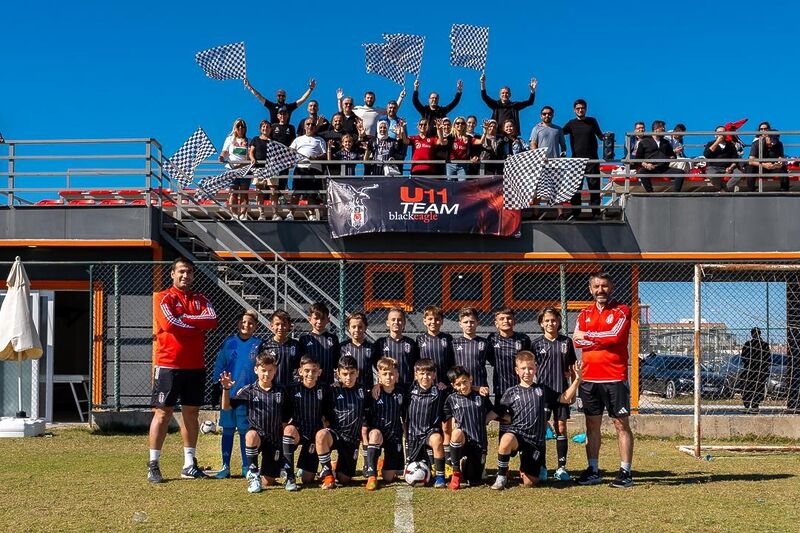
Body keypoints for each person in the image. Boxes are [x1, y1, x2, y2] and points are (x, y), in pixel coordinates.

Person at [148, 257, 218, 483]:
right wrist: (195, 325)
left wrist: (185, 320)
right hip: (168, 365)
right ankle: (153, 464)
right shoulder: (162, 297)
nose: (185, 275)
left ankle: (189, 464)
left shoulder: (201, 299)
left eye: (189, 272)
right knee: (163, 413)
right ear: (172, 274)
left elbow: (212, 319)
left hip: (195, 366)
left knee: (191, 414)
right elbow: (169, 325)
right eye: (181, 271)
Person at [572, 272, 634, 488]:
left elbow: (615, 337)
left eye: (604, 286)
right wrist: (599, 338)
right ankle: (593, 470)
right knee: (591, 425)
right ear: (590, 290)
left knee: (621, 424)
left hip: (614, 377)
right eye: (596, 287)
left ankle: (625, 472)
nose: (600, 290)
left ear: (611, 287)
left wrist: (590, 337)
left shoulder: (622, 310)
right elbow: (577, 341)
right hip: (589, 378)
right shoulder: (584, 313)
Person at [491, 351, 582, 490]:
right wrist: (487, 419)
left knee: (531, 483)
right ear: (517, 370)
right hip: (517, 435)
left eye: (530, 368)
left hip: (534, 442)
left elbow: (564, 398)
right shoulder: (511, 392)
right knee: (505, 440)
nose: (527, 372)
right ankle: (501, 476)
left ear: (536, 369)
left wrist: (577, 380)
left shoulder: (542, 390)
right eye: (523, 368)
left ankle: (526, 468)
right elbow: (498, 411)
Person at [219, 352, 291, 493]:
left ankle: (268, 473)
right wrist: (226, 389)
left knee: (268, 482)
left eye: (270, 370)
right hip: (257, 436)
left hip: (274, 440)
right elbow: (226, 406)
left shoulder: (281, 390)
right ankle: (253, 476)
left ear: (275, 370)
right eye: (263, 370)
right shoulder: (249, 390)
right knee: (250, 435)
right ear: (256, 370)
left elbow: (288, 414)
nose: (266, 374)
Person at [211, 310, 264, 479]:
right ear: (237, 323)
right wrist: (215, 385)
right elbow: (220, 363)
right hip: (228, 394)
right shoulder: (229, 342)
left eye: (250, 323)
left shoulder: (258, 344)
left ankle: (246, 466)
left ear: (255, 326)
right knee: (227, 429)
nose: (246, 325)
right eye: (243, 322)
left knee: (244, 430)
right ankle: (225, 466)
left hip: (247, 395)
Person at [530, 307, 577, 481]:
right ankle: (542, 467)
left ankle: (561, 467)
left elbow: (572, 368)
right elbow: (528, 368)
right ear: (541, 323)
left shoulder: (566, 342)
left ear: (558, 322)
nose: (551, 323)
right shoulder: (536, 344)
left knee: (561, 427)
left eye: (554, 320)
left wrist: (573, 390)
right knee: (541, 429)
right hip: (542, 394)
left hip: (562, 392)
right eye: (547, 321)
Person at [315, 355, 368, 489]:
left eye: (352, 373)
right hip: (336, 434)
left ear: (357, 373)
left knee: (344, 479)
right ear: (338, 373)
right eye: (344, 374)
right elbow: (323, 412)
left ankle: (334, 465)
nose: (348, 377)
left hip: (351, 440)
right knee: (321, 435)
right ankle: (327, 475)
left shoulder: (363, 391)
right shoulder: (332, 390)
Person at [282, 355, 333, 491]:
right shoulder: (291, 389)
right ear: (300, 371)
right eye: (307, 370)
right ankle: (289, 476)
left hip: (313, 436)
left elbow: (328, 414)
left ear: (319, 372)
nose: (310, 374)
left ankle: (329, 465)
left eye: (314, 371)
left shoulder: (325, 389)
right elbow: (284, 416)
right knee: (288, 431)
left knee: (307, 479)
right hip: (298, 432)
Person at [444, 366, 499, 490]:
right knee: (457, 432)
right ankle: (456, 473)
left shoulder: (481, 396)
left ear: (471, 379)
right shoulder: (451, 399)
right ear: (453, 386)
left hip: (479, 443)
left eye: (465, 381)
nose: (463, 386)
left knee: (474, 480)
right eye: (458, 384)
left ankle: (468, 465)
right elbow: (446, 423)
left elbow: (495, 411)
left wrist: (483, 421)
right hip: (462, 441)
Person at [364, 356, 407, 490]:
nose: (388, 377)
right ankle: (372, 475)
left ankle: (381, 463)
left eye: (391, 374)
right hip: (378, 433)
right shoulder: (373, 393)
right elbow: (365, 420)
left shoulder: (403, 392)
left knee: (388, 477)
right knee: (375, 434)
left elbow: (405, 415)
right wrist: (365, 440)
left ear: (397, 375)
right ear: (379, 376)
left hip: (394, 435)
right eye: (385, 374)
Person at [404, 358, 447, 488]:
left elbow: (461, 388)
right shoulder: (408, 391)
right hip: (413, 436)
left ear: (434, 375)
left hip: (430, 433)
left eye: (429, 374)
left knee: (437, 439)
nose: (425, 377)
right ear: (416, 375)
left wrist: (477, 388)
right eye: (422, 373)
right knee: (413, 469)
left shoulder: (440, 392)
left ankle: (440, 476)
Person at [563, 99, 604, 218]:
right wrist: (545, 126)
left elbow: (600, 135)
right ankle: (576, 212)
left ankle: (596, 212)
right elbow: (559, 133)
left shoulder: (592, 121)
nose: (580, 110)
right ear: (574, 110)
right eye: (578, 108)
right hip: (576, 160)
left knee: (594, 186)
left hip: (592, 160)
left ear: (586, 109)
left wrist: (607, 138)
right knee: (575, 187)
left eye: (582, 108)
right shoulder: (571, 123)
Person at [487, 307, 532, 400]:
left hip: (520, 385)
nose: (506, 321)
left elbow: (529, 361)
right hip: (500, 386)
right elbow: (491, 359)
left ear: (514, 321)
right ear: (496, 324)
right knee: (501, 414)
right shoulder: (491, 339)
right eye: (502, 319)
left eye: (509, 318)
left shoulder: (523, 339)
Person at [288, 121, 327, 220]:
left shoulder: (320, 140)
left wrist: (316, 157)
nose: (310, 126)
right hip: (301, 168)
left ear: (315, 127)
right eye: (308, 124)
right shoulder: (298, 139)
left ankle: (311, 214)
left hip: (314, 169)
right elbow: (290, 152)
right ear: (304, 126)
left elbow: (324, 154)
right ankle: (291, 213)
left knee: (312, 193)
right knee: (296, 192)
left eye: (312, 124)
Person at [373, 307, 419, 387]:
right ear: (387, 323)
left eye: (399, 320)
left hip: (407, 386)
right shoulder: (380, 343)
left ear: (404, 323)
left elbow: (416, 364)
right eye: (393, 319)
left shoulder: (411, 343)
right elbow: (375, 364)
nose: (396, 322)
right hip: (386, 387)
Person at [633, 120, 684, 193]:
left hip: (663, 168)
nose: (664, 131)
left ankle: (675, 195)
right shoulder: (644, 142)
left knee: (680, 172)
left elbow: (672, 155)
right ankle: (651, 193)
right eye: (662, 129)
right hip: (651, 168)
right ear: (656, 129)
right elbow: (638, 159)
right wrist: (646, 164)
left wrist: (671, 157)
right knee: (642, 172)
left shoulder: (665, 142)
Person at [298, 302, 340, 386]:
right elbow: (300, 364)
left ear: (328, 320)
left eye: (322, 318)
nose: (319, 321)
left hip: (328, 383)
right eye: (316, 318)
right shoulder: (304, 339)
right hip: (310, 384)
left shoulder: (333, 339)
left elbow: (336, 363)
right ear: (309, 319)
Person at [452, 307, 491, 395]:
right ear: (460, 324)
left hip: (481, 387)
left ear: (477, 323)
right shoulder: (454, 343)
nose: (469, 325)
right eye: (465, 322)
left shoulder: (484, 343)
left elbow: (495, 361)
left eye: (472, 322)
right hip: (461, 387)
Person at [244, 77, 316, 123]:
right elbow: (258, 96)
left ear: (285, 97)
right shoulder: (272, 106)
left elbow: (302, 100)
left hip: (286, 133)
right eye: (279, 95)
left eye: (283, 96)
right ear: (276, 96)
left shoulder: (289, 107)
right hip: (273, 134)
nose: (281, 97)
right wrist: (249, 86)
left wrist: (310, 89)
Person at [339, 89, 406, 138]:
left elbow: (392, 109)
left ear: (374, 99)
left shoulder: (378, 110)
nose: (369, 99)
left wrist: (400, 97)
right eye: (368, 98)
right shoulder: (357, 109)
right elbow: (343, 111)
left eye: (371, 98)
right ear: (364, 99)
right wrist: (340, 100)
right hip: (360, 137)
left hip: (373, 138)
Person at [261, 309, 303, 388]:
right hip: (273, 388)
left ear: (289, 325)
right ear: (271, 325)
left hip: (293, 387)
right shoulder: (265, 346)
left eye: (284, 324)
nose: (280, 327)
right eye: (277, 324)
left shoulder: (296, 345)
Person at [219, 118, 251, 220]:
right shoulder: (230, 139)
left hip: (245, 169)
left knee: (244, 192)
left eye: (243, 126)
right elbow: (224, 151)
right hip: (232, 168)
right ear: (235, 128)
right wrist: (222, 157)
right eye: (238, 126)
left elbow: (250, 154)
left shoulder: (249, 140)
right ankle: (234, 214)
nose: (241, 128)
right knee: (233, 191)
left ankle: (243, 214)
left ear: (245, 129)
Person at [416, 305, 455, 390]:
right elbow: (416, 362)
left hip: (443, 384)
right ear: (424, 321)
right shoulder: (420, 339)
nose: (433, 321)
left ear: (442, 321)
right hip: (425, 383)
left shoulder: (448, 338)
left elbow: (452, 362)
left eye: (437, 319)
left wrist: (448, 383)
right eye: (430, 319)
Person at [248, 120, 279, 220]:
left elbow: (278, 154)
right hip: (258, 168)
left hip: (271, 168)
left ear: (270, 129)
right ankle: (261, 213)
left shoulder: (274, 141)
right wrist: (252, 158)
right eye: (263, 127)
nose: (265, 128)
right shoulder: (255, 139)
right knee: (259, 190)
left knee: (273, 190)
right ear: (260, 128)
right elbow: (251, 152)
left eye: (267, 127)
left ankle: (275, 213)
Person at [743, 122, 786, 192]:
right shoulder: (756, 143)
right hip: (760, 167)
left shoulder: (779, 144)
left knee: (783, 168)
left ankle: (784, 190)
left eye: (774, 142)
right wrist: (764, 165)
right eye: (771, 141)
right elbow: (751, 161)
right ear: (767, 137)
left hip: (772, 167)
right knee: (750, 168)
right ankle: (751, 190)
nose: (772, 143)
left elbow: (780, 158)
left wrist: (778, 164)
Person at [339, 312, 375, 392]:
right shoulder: (342, 347)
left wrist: (378, 384)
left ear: (365, 327)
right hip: (346, 390)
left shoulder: (372, 347)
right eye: (353, 327)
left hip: (366, 389)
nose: (357, 330)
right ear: (349, 328)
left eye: (360, 327)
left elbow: (380, 368)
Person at [739, 327, 772, 413]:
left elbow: (743, 357)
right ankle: (755, 405)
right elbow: (768, 359)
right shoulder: (764, 345)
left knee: (747, 387)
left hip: (749, 370)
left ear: (752, 334)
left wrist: (750, 362)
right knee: (758, 388)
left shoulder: (748, 344)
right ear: (760, 334)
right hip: (760, 371)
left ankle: (747, 405)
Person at [703, 126, 740, 192]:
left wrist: (731, 167)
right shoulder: (710, 144)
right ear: (715, 134)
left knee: (739, 174)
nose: (721, 134)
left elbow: (735, 158)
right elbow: (706, 155)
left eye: (723, 132)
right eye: (719, 132)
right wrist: (717, 142)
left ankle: (724, 190)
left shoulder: (730, 145)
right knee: (711, 176)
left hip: (728, 167)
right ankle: (723, 189)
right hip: (714, 167)